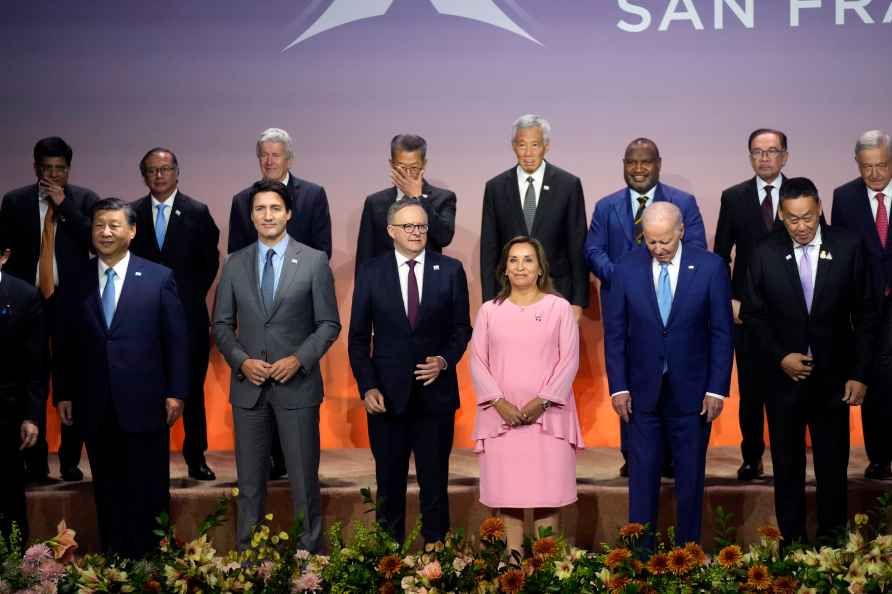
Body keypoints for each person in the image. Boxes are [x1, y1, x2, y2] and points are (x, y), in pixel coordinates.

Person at [742, 177, 877, 544]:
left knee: (833, 467)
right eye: (792, 219)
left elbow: (866, 314)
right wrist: (780, 356)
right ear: (780, 217)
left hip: (834, 380)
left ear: (819, 208)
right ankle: (794, 545)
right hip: (783, 380)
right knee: (787, 467)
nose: (801, 227)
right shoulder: (764, 251)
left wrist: (860, 373)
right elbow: (753, 315)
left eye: (807, 217)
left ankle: (833, 544)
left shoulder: (848, 246)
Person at [55, 198, 188, 558]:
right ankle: (115, 559)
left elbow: (176, 340)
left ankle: (154, 560)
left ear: (131, 231)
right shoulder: (76, 279)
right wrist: (63, 393)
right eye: (99, 225)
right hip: (95, 403)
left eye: (114, 225)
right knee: (108, 488)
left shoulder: (159, 277)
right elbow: (65, 342)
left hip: (146, 403)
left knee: (149, 487)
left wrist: (177, 391)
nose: (106, 232)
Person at [214, 180, 340, 553]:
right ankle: (249, 563)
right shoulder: (235, 263)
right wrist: (241, 361)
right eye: (259, 209)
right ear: (251, 216)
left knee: (303, 482)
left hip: (297, 387)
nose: (267, 216)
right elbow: (221, 324)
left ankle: (309, 561)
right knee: (250, 484)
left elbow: (329, 324)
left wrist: (299, 359)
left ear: (288, 213)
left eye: (274, 208)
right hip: (249, 390)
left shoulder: (314, 260)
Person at [603, 202, 733, 548]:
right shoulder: (626, 268)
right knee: (642, 478)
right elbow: (615, 333)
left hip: (692, 393)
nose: (658, 249)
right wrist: (618, 387)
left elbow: (722, 332)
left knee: (690, 477)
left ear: (681, 232)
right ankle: (642, 557)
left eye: (665, 242)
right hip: (641, 393)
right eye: (650, 242)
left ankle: (687, 554)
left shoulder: (710, 267)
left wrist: (717, 389)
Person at [348, 199, 471, 544]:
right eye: (408, 226)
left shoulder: (450, 270)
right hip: (386, 400)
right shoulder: (371, 272)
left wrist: (444, 361)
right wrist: (368, 387)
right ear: (391, 231)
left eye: (421, 226)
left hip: (436, 398)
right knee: (389, 487)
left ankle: (437, 563)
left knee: (435, 487)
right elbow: (358, 339)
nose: (416, 232)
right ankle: (391, 563)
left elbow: (462, 329)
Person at [585, 137, 707, 477]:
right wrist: (627, 280)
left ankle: (672, 457)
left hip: (674, 311)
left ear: (658, 164)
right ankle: (634, 456)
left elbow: (696, 247)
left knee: (673, 379)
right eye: (631, 162)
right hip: (626, 314)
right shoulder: (606, 207)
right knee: (632, 382)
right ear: (623, 164)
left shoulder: (683, 202)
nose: (638, 169)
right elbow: (593, 251)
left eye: (646, 162)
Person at [227, 128, 333, 479]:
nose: (269, 160)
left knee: (303, 473)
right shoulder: (243, 199)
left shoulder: (314, 195)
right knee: (252, 477)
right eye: (264, 155)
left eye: (276, 154)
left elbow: (323, 251)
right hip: (254, 349)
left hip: (297, 321)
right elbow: (236, 261)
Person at [471, 236, 582, 553]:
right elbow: (478, 361)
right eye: (514, 260)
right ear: (504, 269)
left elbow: (569, 359)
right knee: (509, 497)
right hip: (501, 419)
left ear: (540, 268)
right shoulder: (490, 311)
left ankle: (547, 573)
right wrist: (499, 402)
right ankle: (514, 566)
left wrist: (543, 400)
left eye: (528, 259)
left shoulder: (558, 308)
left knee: (548, 496)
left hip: (549, 418)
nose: (520, 266)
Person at [0, 137, 98, 483]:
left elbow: (95, 241)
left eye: (60, 169)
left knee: (71, 378)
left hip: (71, 300)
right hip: (28, 301)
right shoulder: (14, 201)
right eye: (47, 169)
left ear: (68, 170)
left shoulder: (84, 199)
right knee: (31, 375)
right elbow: (7, 252)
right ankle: (35, 462)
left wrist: (63, 205)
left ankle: (70, 460)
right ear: (36, 168)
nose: (54, 175)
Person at [129, 147, 220, 481]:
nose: (159, 175)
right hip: (143, 320)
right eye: (151, 170)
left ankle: (196, 456)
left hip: (188, 316)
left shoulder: (197, 211)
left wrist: (186, 297)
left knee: (191, 389)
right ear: (144, 175)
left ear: (177, 172)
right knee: (150, 389)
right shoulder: (133, 213)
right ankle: (152, 458)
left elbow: (209, 262)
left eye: (165, 169)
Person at [713, 128, 790, 481]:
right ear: (750, 156)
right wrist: (729, 297)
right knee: (751, 392)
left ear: (784, 156)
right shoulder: (734, 197)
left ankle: (788, 456)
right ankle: (752, 456)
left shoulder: (799, 193)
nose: (765, 158)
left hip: (791, 313)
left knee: (789, 390)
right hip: (746, 313)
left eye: (772, 151)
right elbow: (720, 255)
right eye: (757, 152)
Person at [480, 114, 588, 320]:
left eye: (535, 145)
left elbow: (577, 245)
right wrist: (489, 300)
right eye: (522, 145)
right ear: (513, 146)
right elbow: (489, 249)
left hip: (558, 291)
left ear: (546, 146)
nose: (528, 153)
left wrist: (578, 301)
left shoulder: (568, 185)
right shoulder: (496, 187)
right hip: (509, 294)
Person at [831, 130, 892, 480]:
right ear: (857, 163)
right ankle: (879, 456)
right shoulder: (845, 197)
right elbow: (842, 249)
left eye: (882, 165)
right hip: (865, 303)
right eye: (867, 166)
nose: (874, 173)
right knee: (873, 378)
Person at [354, 134, 456, 274]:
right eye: (402, 167)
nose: (407, 174)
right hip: (385, 284)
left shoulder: (443, 198)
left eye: (413, 168)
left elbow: (444, 237)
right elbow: (364, 256)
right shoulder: (375, 202)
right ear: (391, 164)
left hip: (429, 282)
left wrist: (418, 197)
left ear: (424, 164)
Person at [0, 248, 47, 543]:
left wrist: (32, 415)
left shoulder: (24, 295)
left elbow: (37, 362)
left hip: (7, 414)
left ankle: (12, 572)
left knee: (7, 495)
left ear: (4, 256)